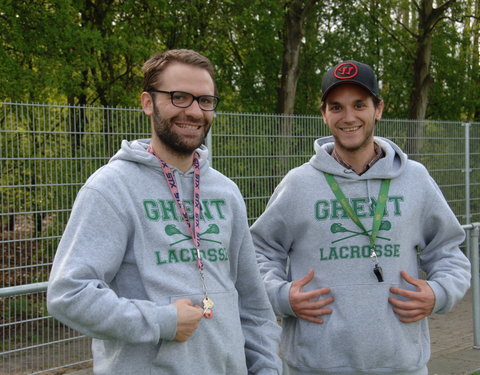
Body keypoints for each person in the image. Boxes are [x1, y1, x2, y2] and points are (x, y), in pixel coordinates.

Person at [47, 49, 282, 375]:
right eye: (179, 97)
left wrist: (267, 369)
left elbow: (254, 306)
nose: (195, 111)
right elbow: (68, 294)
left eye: (205, 100)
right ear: (148, 102)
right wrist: (162, 321)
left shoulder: (225, 192)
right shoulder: (111, 188)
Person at [250, 60, 471, 375]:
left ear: (378, 109)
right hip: (315, 366)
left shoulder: (415, 179)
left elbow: (448, 250)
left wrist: (439, 293)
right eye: (336, 107)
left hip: (401, 365)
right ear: (324, 114)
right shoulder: (299, 184)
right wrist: (282, 296)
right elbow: (258, 252)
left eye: (359, 105)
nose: (348, 117)